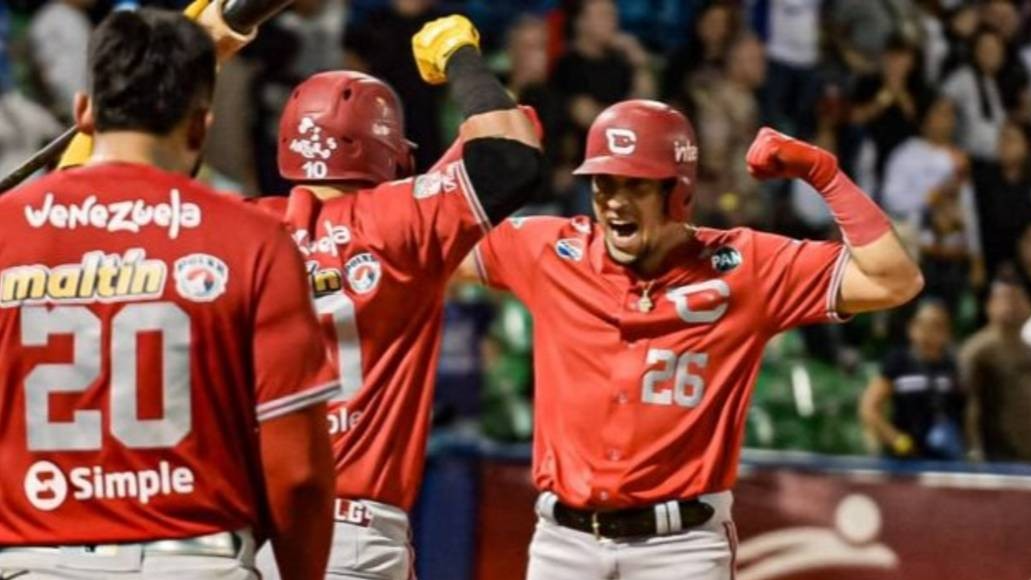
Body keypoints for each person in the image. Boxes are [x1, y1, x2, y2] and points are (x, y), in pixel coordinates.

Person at [465, 101, 923, 579]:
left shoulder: (746, 268)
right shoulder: (549, 251)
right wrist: (468, 145)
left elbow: (895, 280)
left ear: (678, 192)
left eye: (635, 185)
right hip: (564, 546)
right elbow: (422, 243)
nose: (615, 201)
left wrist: (823, 175)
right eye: (604, 183)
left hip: (679, 550)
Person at [0, 9, 336, 580]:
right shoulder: (254, 241)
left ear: (84, 111)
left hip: (32, 561)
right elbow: (299, 472)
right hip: (196, 560)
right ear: (201, 126)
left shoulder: (6, 231)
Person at [253, 14, 543, 580]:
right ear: (379, 147)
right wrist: (460, 54)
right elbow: (511, 148)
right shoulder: (398, 221)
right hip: (349, 534)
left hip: (249, 529)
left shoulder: (244, 227)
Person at [860, 300, 965, 460]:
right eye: (923, 325)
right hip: (904, 458)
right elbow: (869, 407)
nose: (929, 332)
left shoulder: (951, 365)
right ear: (912, 328)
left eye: (937, 326)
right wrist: (894, 438)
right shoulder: (898, 362)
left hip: (942, 457)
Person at [961, 274, 1031, 463]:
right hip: (997, 458)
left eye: (1018, 298)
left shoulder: (1027, 349)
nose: (1013, 306)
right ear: (990, 305)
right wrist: (974, 451)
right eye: (1006, 299)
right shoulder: (978, 351)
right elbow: (969, 405)